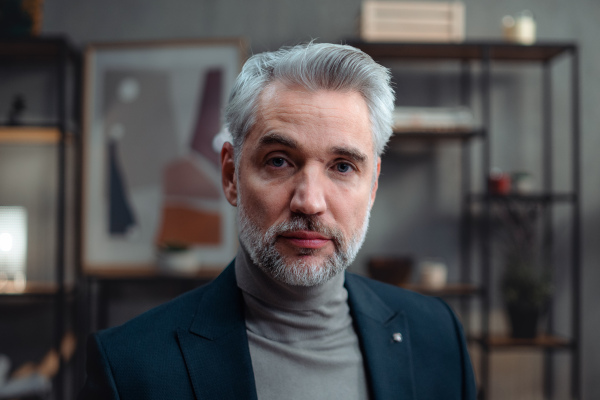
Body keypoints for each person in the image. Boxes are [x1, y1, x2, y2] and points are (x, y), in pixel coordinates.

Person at [79, 42, 476, 400]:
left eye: (341, 166)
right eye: (279, 161)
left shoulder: (438, 337)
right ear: (230, 175)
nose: (310, 202)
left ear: (372, 185)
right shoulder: (130, 368)